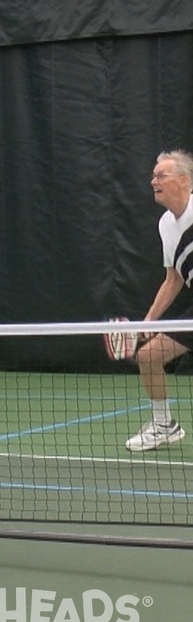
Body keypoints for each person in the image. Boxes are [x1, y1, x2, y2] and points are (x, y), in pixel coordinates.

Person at [124, 150, 193, 452]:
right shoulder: (166, 224)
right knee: (148, 356)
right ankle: (164, 425)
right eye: (153, 175)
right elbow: (173, 279)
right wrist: (150, 319)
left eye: (161, 175)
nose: (154, 181)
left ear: (184, 181)